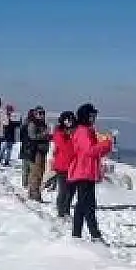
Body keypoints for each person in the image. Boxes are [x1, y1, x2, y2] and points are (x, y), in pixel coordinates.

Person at [68, 103, 114, 241]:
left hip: (86, 171)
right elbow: (90, 151)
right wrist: (107, 143)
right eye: (92, 115)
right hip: (83, 171)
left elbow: (94, 150)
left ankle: (78, 234)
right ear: (86, 116)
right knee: (87, 205)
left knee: (84, 204)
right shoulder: (83, 131)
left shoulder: (87, 130)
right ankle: (94, 235)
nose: (94, 118)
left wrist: (106, 145)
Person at [51, 110, 77, 218]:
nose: (70, 122)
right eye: (67, 120)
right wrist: (72, 139)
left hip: (73, 165)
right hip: (62, 166)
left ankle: (66, 209)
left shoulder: (74, 132)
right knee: (63, 190)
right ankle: (61, 211)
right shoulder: (59, 132)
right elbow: (66, 148)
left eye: (71, 119)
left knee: (71, 190)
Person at [23, 106, 51, 202]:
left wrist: (49, 136)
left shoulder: (43, 124)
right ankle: (35, 193)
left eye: (43, 113)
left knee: (40, 171)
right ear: (35, 114)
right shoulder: (33, 124)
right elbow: (32, 136)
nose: (41, 115)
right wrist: (45, 135)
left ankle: (33, 192)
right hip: (35, 151)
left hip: (43, 150)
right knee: (36, 172)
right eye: (39, 113)